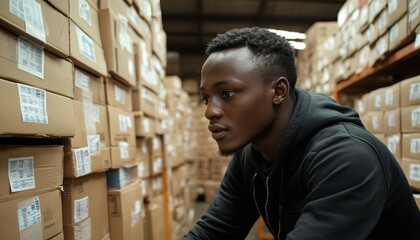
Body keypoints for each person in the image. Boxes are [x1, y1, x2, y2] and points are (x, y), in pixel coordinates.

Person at [182, 27, 420, 240]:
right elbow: (216, 230)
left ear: (279, 91)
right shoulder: (250, 155)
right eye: (206, 98)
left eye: (227, 94)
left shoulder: (347, 157)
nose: (210, 111)